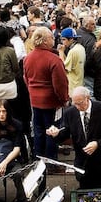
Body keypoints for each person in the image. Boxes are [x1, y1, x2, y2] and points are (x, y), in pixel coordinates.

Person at [46, 86, 101, 188]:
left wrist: (97, 144)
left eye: (80, 103)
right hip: (83, 164)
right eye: (75, 104)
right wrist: (55, 134)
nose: (78, 107)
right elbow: (64, 134)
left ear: (87, 99)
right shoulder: (69, 113)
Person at [24, 27, 69, 160]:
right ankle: (50, 159)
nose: (54, 39)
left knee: (38, 130)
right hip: (51, 102)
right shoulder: (53, 59)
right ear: (44, 41)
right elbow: (60, 84)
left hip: (35, 100)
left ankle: (38, 156)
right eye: (51, 37)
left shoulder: (28, 58)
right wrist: (64, 99)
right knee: (52, 130)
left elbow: (26, 78)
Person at [59, 27, 86, 97]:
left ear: (71, 39)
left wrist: (61, 52)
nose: (62, 42)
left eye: (64, 39)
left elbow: (63, 67)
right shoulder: (81, 48)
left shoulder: (73, 51)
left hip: (72, 86)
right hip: (79, 83)